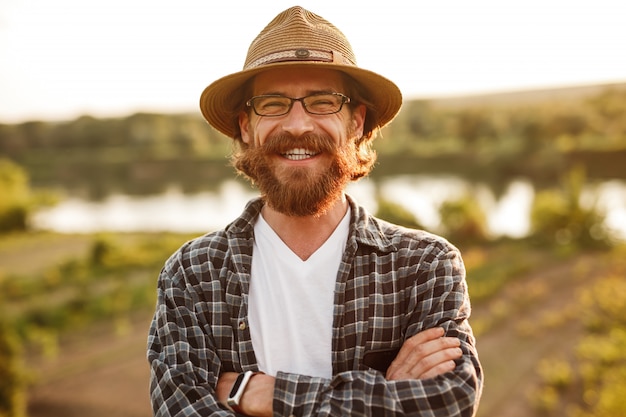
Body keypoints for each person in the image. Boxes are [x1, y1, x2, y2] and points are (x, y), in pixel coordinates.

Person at [147, 6, 483, 416]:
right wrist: (385, 393)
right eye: (272, 104)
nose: (298, 125)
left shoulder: (425, 266)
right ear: (246, 126)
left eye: (322, 102)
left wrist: (265, 394)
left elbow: (450, 401)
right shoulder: (193, 273)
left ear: (357, 122)